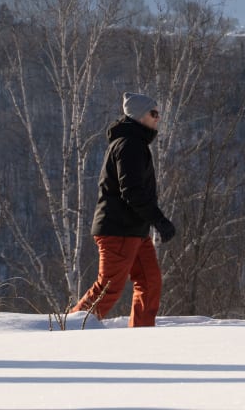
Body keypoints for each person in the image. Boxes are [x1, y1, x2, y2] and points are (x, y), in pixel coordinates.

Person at [71, 92, 176, 327]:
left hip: (134, 230)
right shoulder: (129, 144)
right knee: (109, 287)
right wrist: (159, 221)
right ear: (139, 116)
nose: (158, 118)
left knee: (150, 282)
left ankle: (141, 336)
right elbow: (132, 191)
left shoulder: (134, 142)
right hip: (118, 229)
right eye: (154, 113)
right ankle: (67, 331)